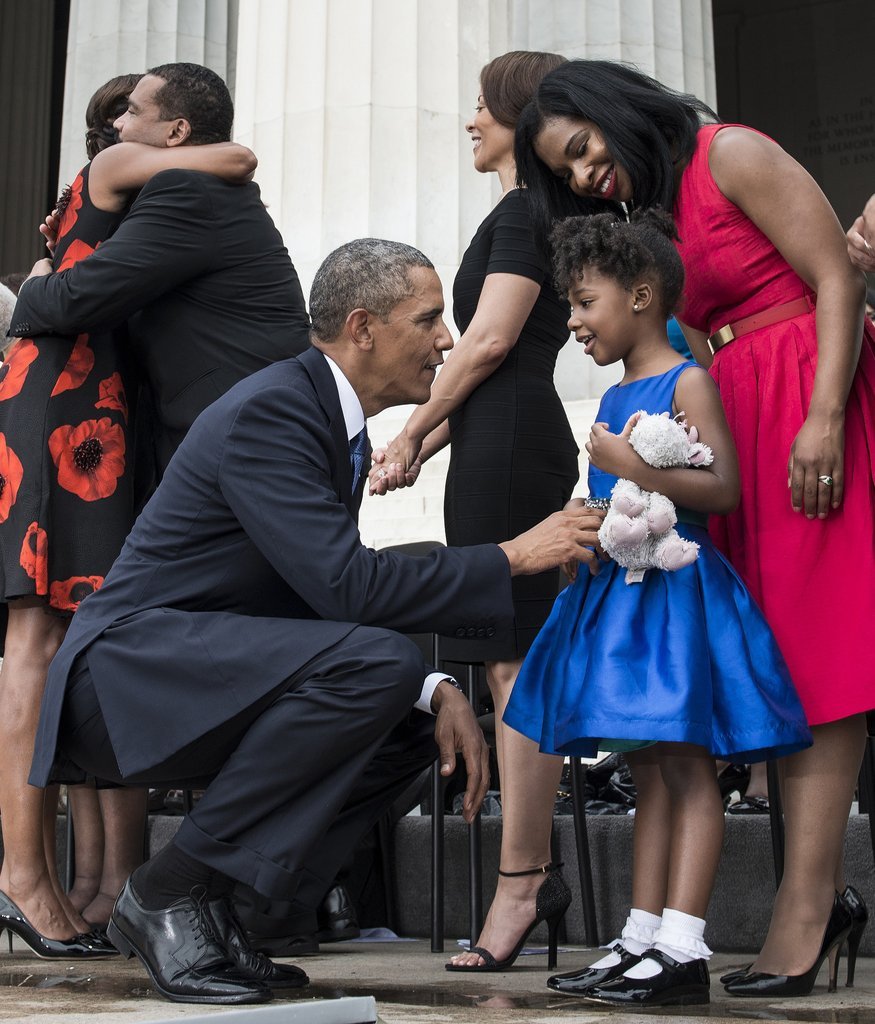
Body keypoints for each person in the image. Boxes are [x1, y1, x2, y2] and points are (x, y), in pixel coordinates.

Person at [26, 238, 606, 1004]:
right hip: (130, 683)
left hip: (203, 676)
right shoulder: (275, 408)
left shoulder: (329, 419)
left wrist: (435, 690)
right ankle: (168, 890)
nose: (446, 340)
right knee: (378, 667)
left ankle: (232, 910)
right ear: (362, 327)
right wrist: (510, 556)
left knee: (406, 721)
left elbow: (313, 589)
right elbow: (345, 587)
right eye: (429, 319)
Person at [515, 58, 874, 997]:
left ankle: (808, 903)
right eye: (568, 171)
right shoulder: (653, 219)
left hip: (808, 394)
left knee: (820, 651)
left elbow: (833, 274)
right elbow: (697, 339)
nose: (587, 176)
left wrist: (824, 414)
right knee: (772, 655)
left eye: (584, 149)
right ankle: (806, 896)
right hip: (737, 419)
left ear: (615, 112)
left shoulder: (733, 153)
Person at [503, 209, 813, 1006]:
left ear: (641, 297)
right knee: (646, 771)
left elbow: (720, 489)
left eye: (583, 302)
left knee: (685, 766)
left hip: (675, 598)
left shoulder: (686, 380)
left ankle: (683, 945)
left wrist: (623, 459)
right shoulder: (616, 391)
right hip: (621, 593)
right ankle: (638, 938)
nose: (572, 321)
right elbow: (621, 494)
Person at [0, 73, 260, 958]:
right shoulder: (127, 163)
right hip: (64, 405)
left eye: (130, 109)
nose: (113, 124)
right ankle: (22, 874)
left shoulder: (136, 177)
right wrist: (39, 279)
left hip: (97, 413)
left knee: (79, 640)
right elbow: (240, 154)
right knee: (36, 639)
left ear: (168, 127)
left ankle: (85, 880)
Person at [368, 51, 601, 973]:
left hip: (510, 444)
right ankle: (522, 872)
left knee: (516, 669)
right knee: (509, 664)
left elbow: (492, 341)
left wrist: (410, 429)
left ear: (516, 114)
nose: (468, 122)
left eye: (480, 108)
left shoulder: (522, 212)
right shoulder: (521, 212)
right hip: (495, 440)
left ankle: (523, 880)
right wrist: (427, 441)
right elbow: (485, 360)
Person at [8, 62, 311, 486]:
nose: (118, 126)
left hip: (243, 441)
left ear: (176, 133)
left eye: (131, 113)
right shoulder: (192, 191)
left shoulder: (186, 190)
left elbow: (73, 300)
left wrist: (38, 280)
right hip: (233, 434)